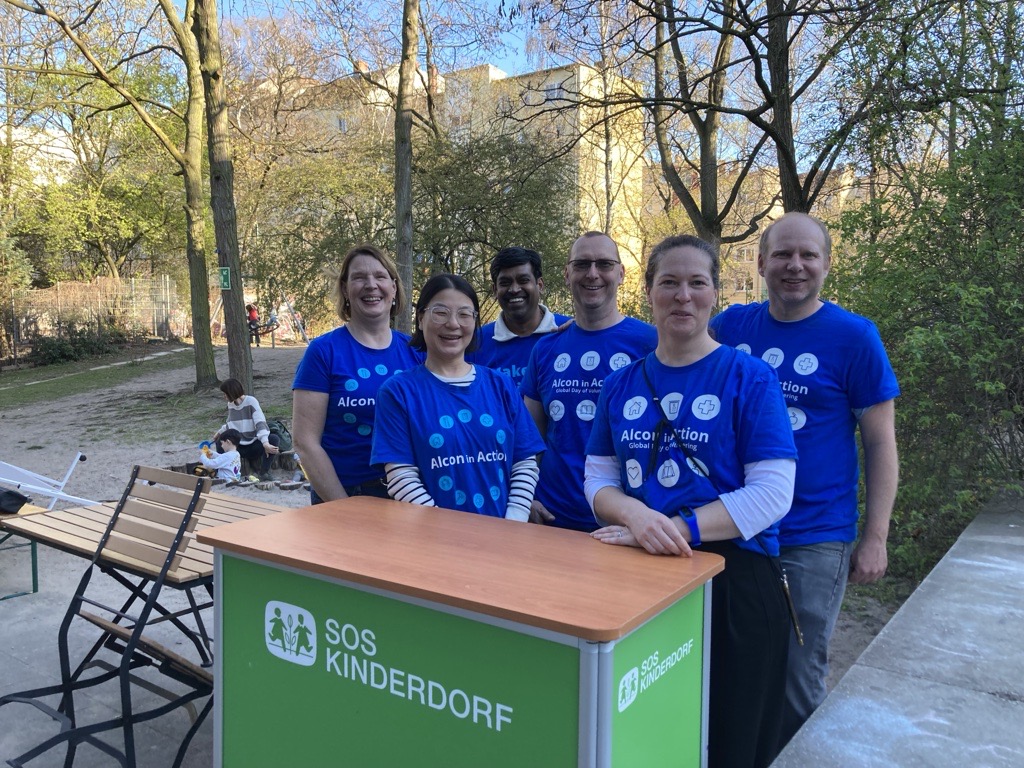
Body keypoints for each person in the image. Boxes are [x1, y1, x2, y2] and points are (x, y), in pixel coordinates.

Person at [585, 234, 798, 768]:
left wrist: (675, 529)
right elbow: (597, 479)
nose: (683, 296)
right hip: (641, 580)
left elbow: (773, 493)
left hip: (736, 579)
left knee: (734, 739)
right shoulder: (620, 384)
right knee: (655, 734)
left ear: (715, 294)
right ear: (649, 293)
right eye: (669, 283)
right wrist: (635, 515)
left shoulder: (749, 376)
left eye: (697, 283)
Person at [710, 211, 900, 745]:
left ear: (826, 264)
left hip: (811, 537)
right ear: (762, 261)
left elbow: (881, 442)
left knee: (796, 672)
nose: (795, 266)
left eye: (808, 255)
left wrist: (876, 538)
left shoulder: (854, 337)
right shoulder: (731, 327)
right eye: (783, 254)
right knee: (733, 663)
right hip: (734, 530)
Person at [371, 274, 545, 519]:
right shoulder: (398, 392)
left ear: (474, 323)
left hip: (504, 537)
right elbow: (401, 477)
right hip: (432, 541)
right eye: (440, 312)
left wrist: (513, 523)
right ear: (421, 319)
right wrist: (445, 533)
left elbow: (525, 461)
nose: (453, 323)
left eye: (465, 314)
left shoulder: (501, 385)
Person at [521, 232, 657, 530]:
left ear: (621, 273)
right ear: (567, 274)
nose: (592, 274)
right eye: (582, 264)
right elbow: (529, 437)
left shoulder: (653, 343)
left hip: (629, 523)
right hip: (554, 519)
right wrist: (524, 497)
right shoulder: (545, 349)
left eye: (604, 264)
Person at [292, 244, 422, 503]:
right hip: (345, 497)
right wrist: (343, 507)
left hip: (411, 499)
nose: (371, 285)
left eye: (380, 276)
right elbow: (305, 444)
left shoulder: (417, 353)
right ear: (345, 289)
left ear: (394, 288)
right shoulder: (323, 352)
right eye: (359, 277)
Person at [469, 246, 570, 387]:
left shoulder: (567, 332)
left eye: (523, 280)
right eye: (505, 283)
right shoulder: (475, 343)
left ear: (539, 285)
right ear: (494, 290)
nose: (514, 289)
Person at [214, 379, 281, 479]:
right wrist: (219, 432)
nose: (224, 397)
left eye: (225, 394)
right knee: (220, 441)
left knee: (274, 439)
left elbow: (260, 423)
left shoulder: (251, 401)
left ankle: (264, 472)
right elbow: (230, 423)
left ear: (231, 392)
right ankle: (220, 472)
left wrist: (265, 443)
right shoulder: (231, 405)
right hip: (238, 447)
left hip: (253, 445)